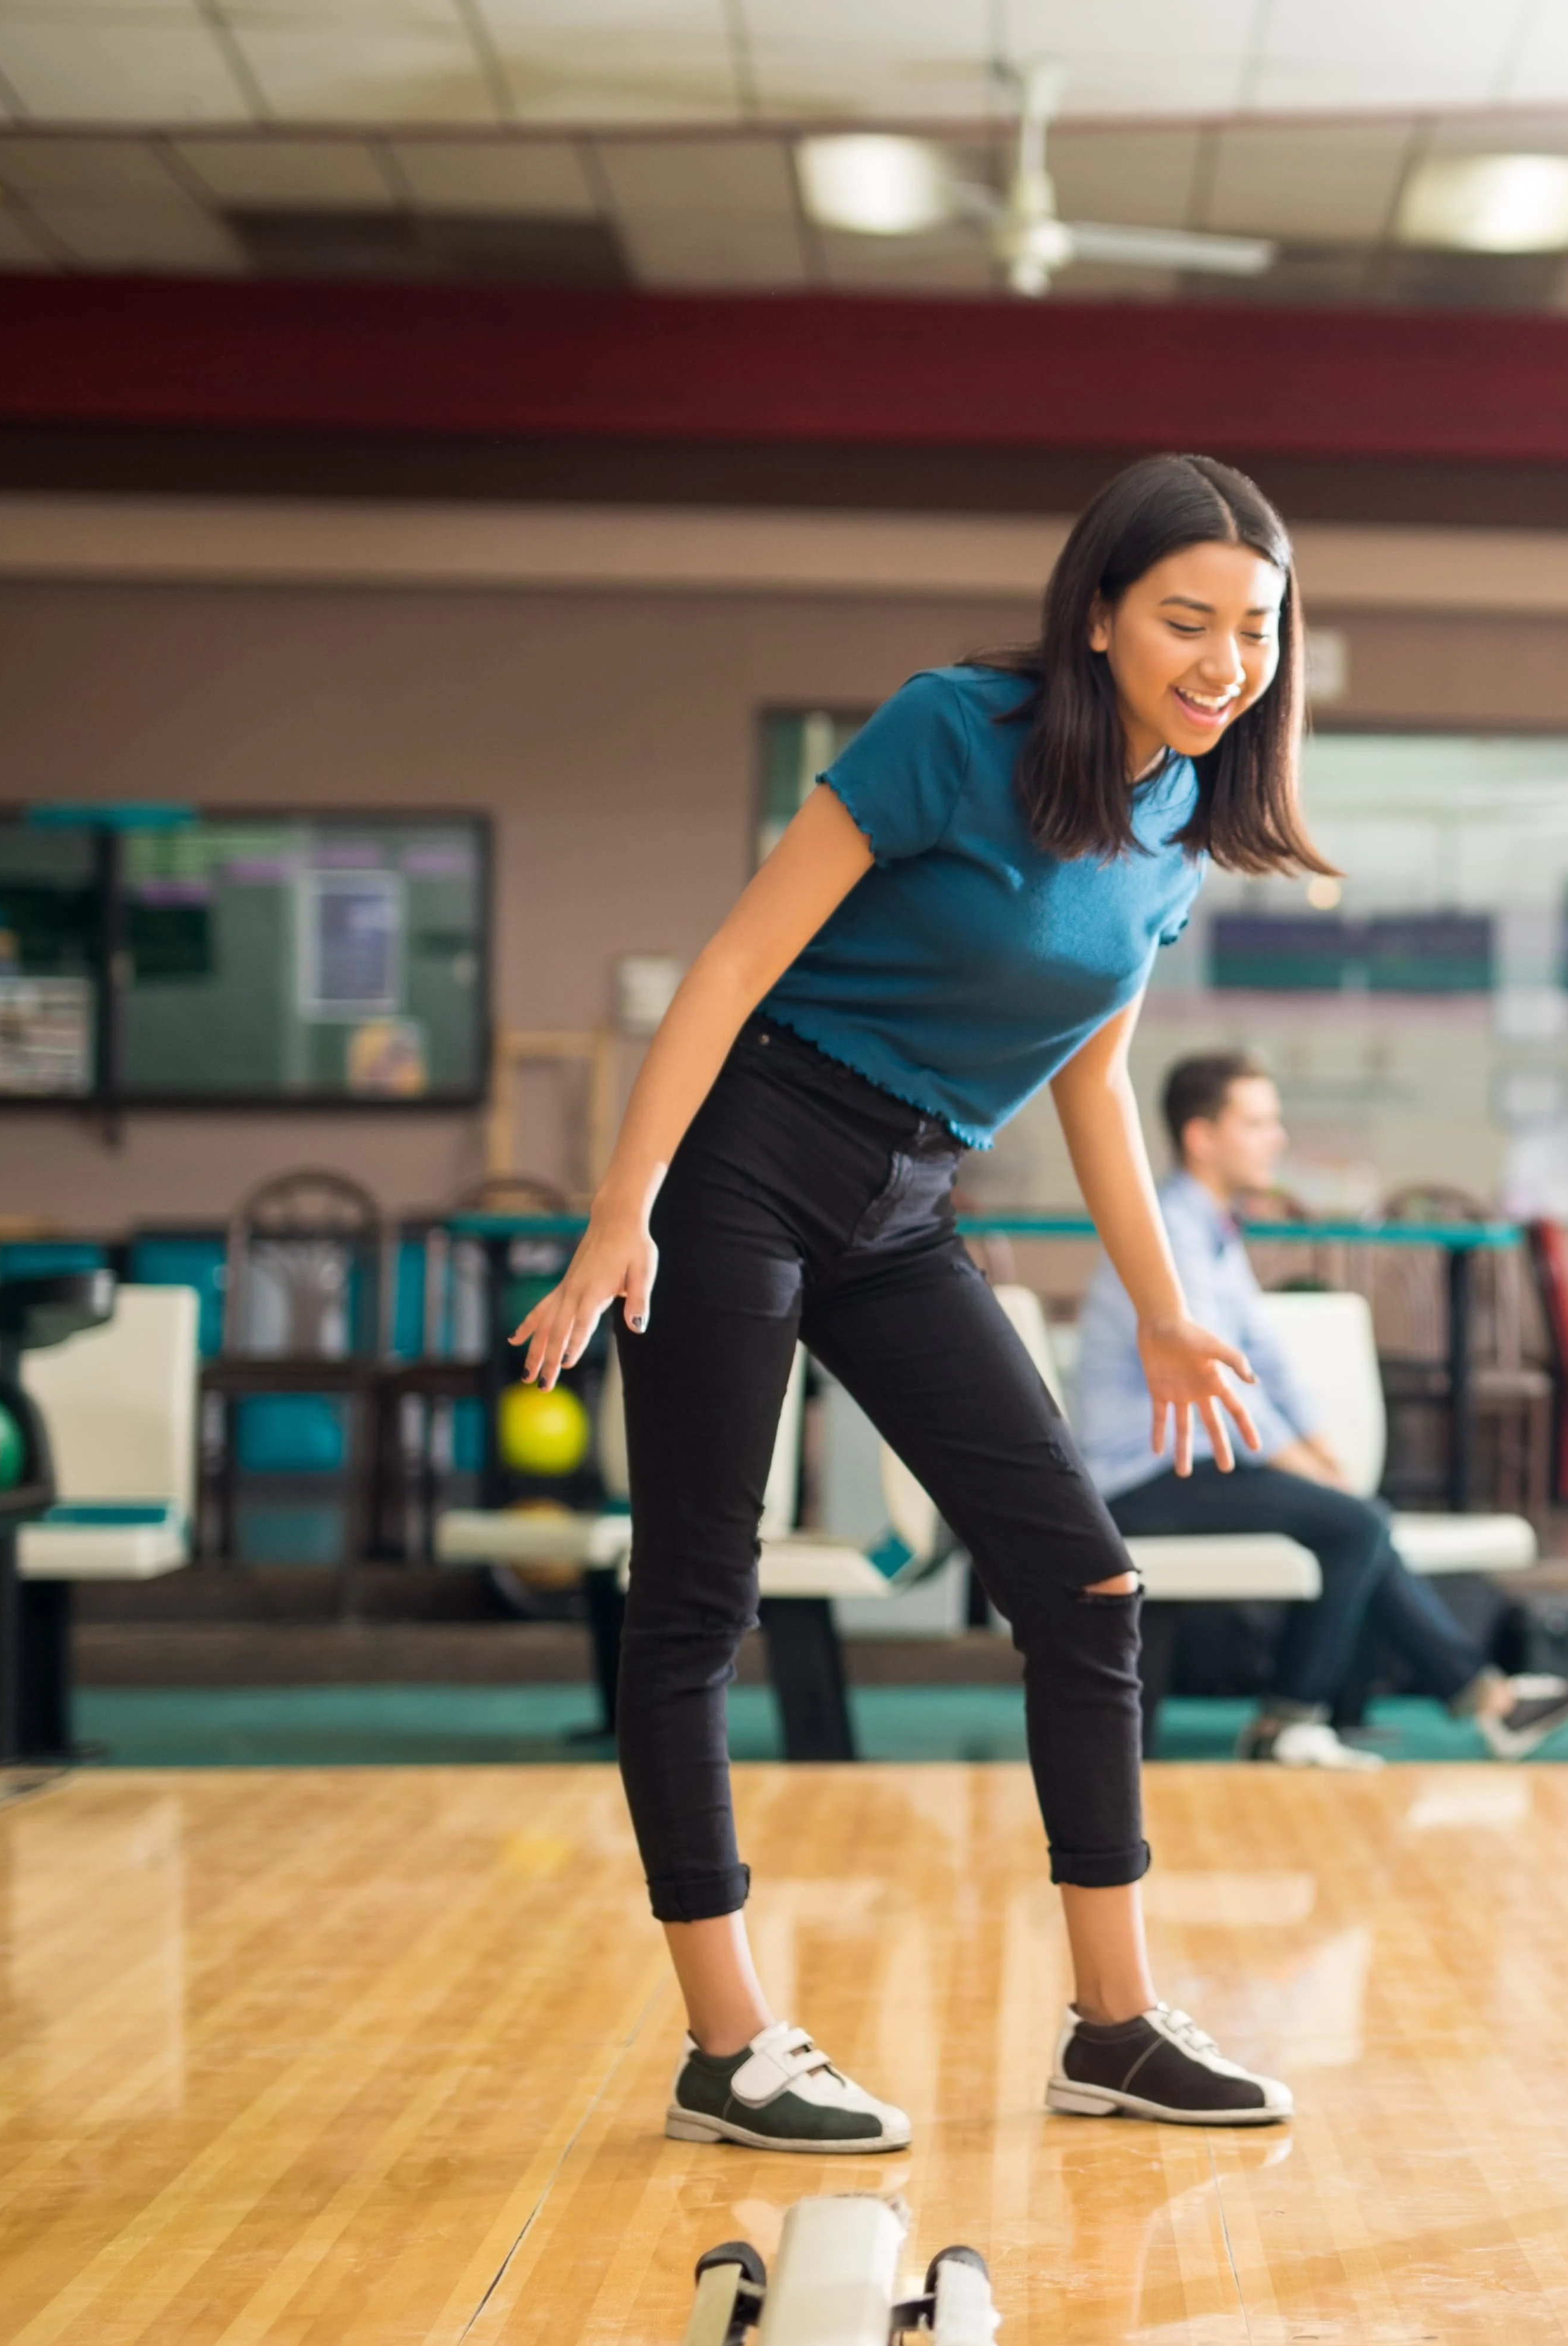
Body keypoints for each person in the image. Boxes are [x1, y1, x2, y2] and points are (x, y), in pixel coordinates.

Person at [512, 454, 1318, 2153]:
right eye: (1186, 620)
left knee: (1086, 1583)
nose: (1223, 657)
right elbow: (733, 962)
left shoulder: (1178, 818)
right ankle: (726, 2042)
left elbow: (1096, 1078)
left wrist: (1164, 1307)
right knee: (696, 1600)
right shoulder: (953, 730)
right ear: (1097, 616)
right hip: (746, 1158)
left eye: (1253, 627)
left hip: (905, 1200)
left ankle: (1113, 2024)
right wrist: (621, 1209)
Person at [1079, 1050, 1568, 1771]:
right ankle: (1295, 1721)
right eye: (1259, 1122)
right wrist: (1306, 1465)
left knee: (1357, 1520)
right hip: (1140, 1481)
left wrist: (1321, 1448)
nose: (1278, 1139)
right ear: (1202, 1137)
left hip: (1197, 1466)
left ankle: (1485, 1702)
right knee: (1357, 1522)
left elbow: (1265, 1352)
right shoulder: (1169, 1230)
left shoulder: (1211, 1227)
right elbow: (1216, 1379)